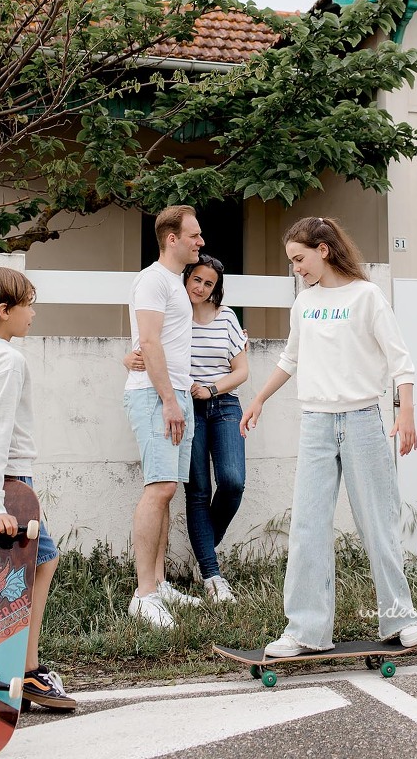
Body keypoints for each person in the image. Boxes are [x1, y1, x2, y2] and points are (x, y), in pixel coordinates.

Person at [240, 216, 417, 658]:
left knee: (377, 523)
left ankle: (402, 618)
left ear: (323, 249)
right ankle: (305, 630)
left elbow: (402, 362)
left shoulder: (367, 296)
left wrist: (407, 415)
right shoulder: (304, 304)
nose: (296, 269)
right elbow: (292, 358)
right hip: (316, 425)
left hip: (362, 419)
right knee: (307, 527)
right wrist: (260, 399)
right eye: (291, 262)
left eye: (299, 259)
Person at [0, 266, 76, 711]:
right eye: (27, 304)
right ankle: (27, 673)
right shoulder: (8, 360)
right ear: (4, 310)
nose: (33, 312)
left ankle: (4, 672)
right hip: (3, 481)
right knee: (41, 561)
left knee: (5, 576)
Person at [125, 253, 248, 603]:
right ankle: (211, 573)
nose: (201, 287)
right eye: (197, 280)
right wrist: (127, 358)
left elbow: (242, 370)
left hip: (223, 405)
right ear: (186, 278)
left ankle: (203, 546)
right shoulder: (175, 313)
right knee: (194, 491)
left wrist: (212, 388)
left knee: (233, 481)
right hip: (183, 404)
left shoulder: (226, 318)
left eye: (209, 284)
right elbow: (145, 344)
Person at [124, 204, 205, 627]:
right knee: (158, 488)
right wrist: (169, 402)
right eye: (194, 235)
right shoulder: (152, 280)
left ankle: (159, 582)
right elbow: (150, 343)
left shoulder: (174, 283)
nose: (200, 241)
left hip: (174, 394)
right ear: (171, 238)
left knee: (169, 488)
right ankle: (144, 594)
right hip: (158, 396)